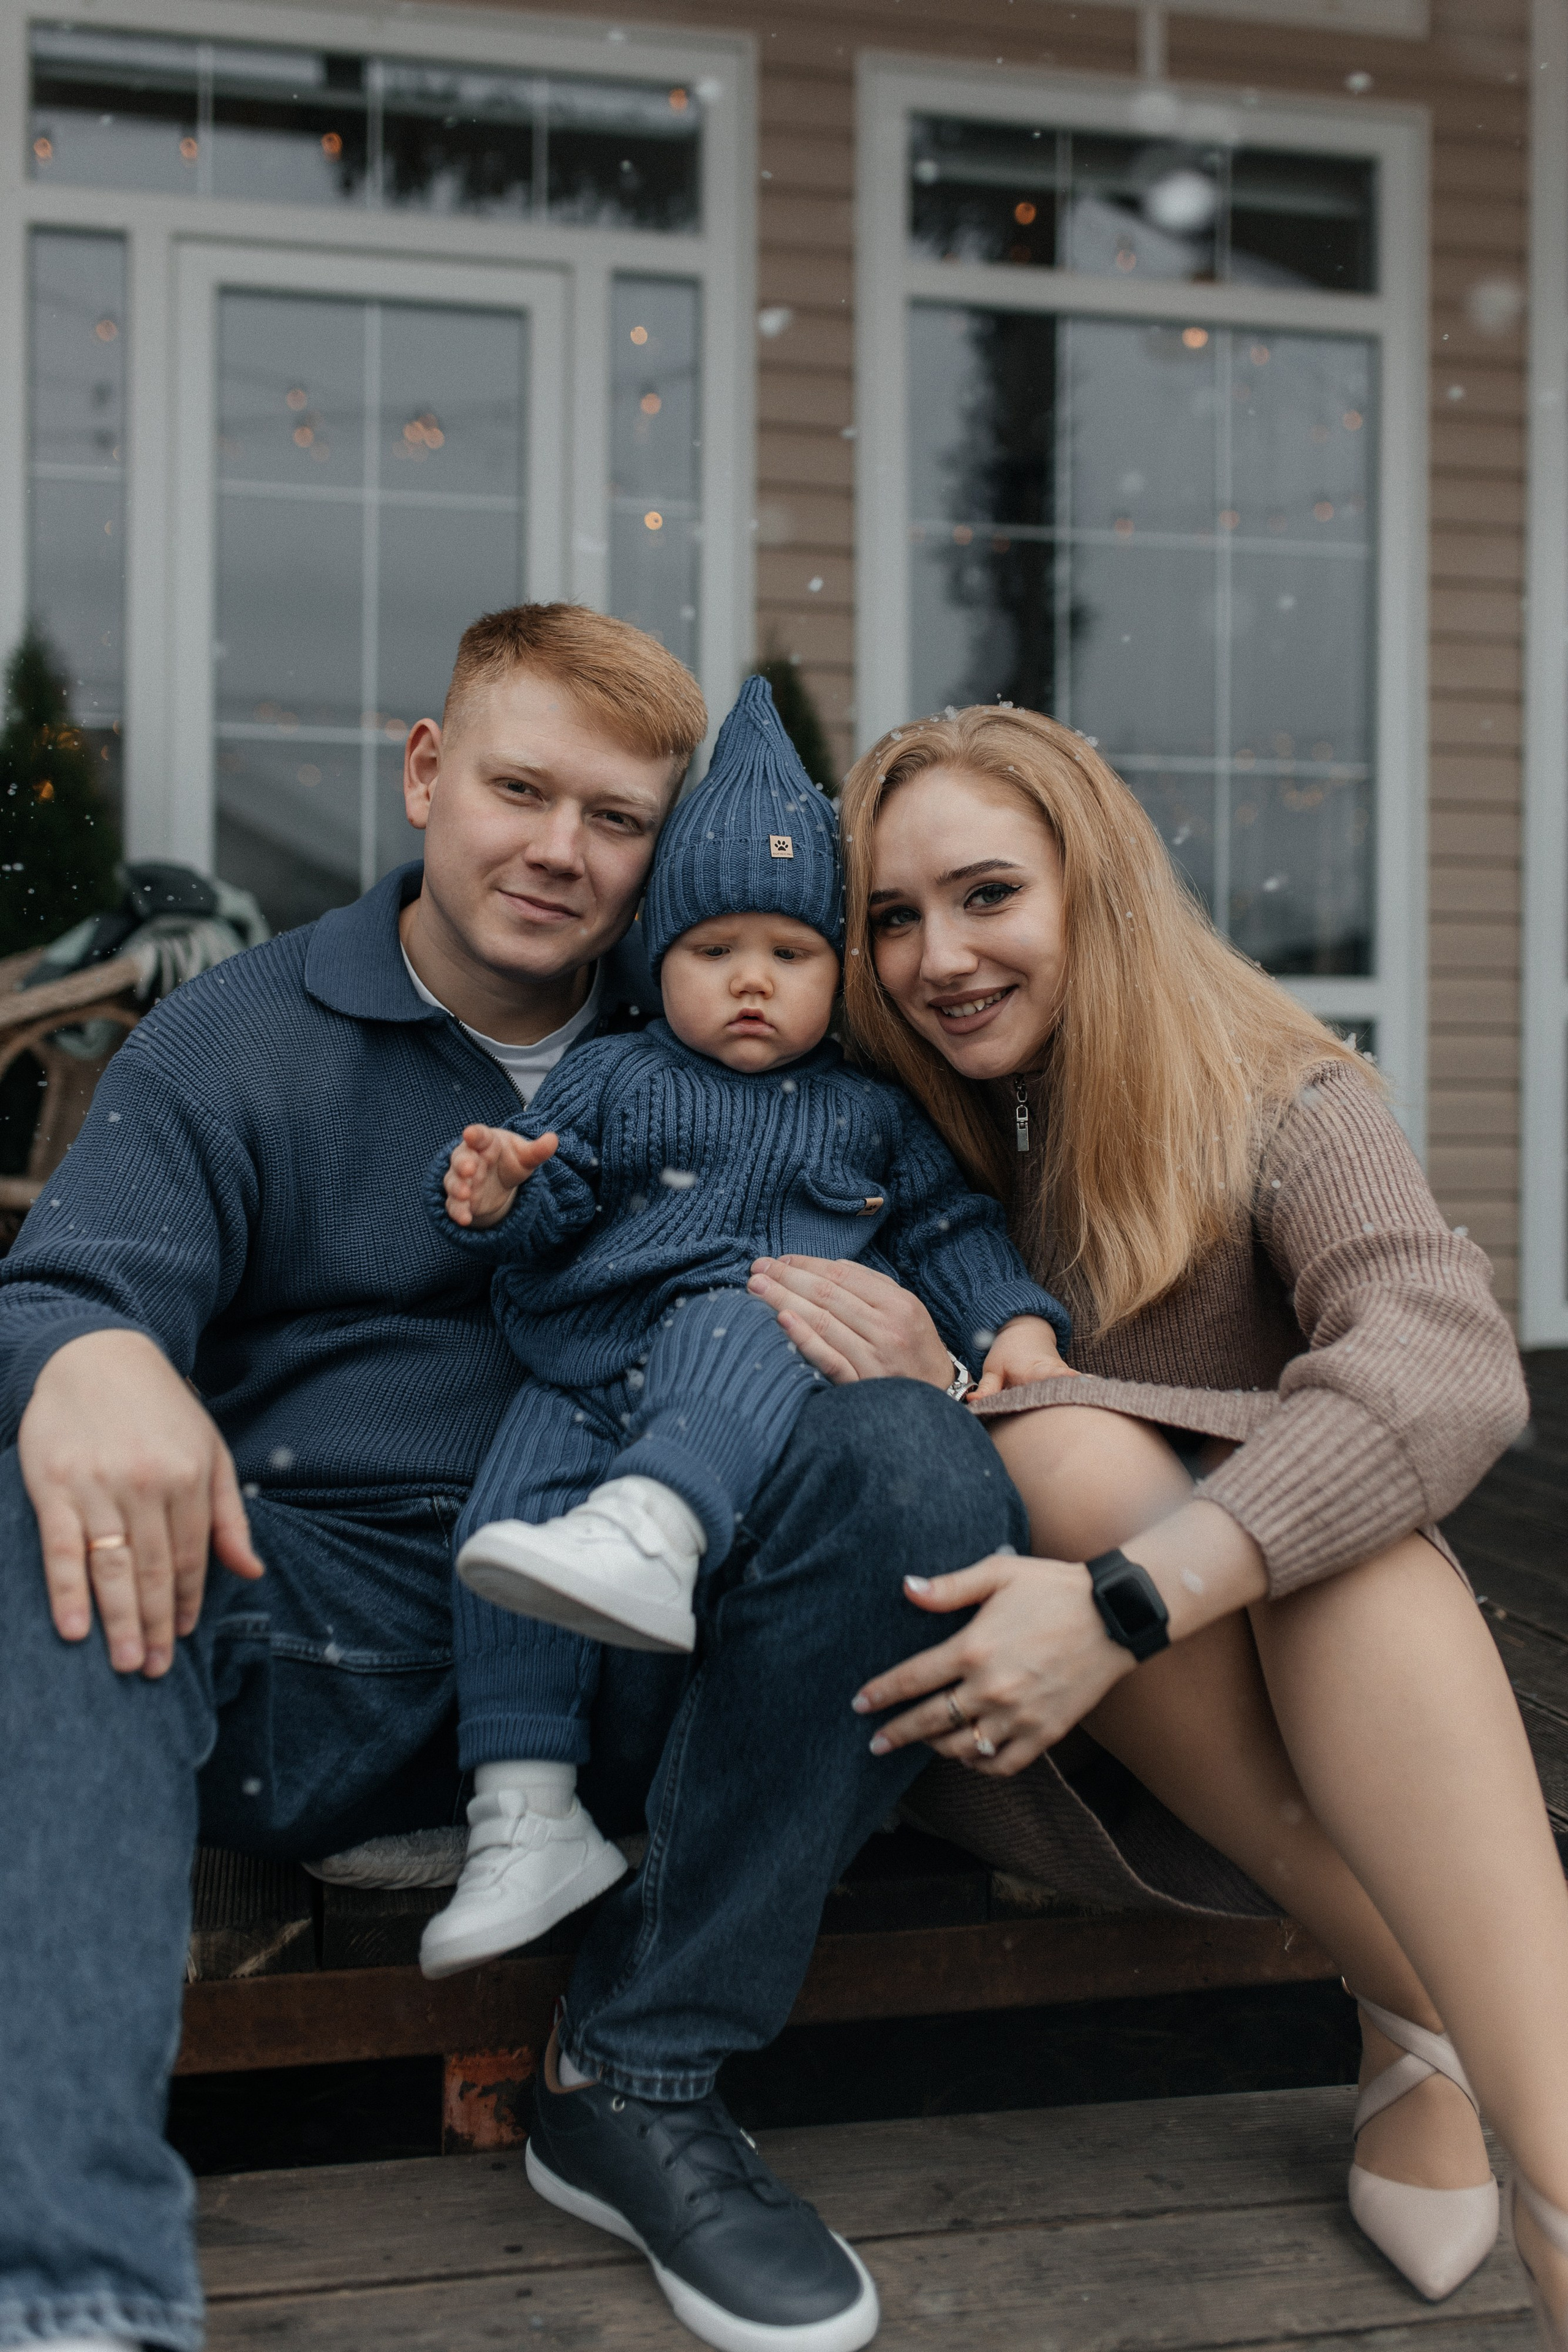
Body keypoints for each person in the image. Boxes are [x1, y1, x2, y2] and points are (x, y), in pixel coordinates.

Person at [0, 607, 1027, 2352]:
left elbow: (950, 1240)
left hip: (659, 1639)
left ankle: (638, 2072)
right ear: (427, 774)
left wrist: (958, 1350)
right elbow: (74, 1278)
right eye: (520, 788)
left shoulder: (749, 1032)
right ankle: (76, 2287)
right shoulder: (241, 1038)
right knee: (40, 1529)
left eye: (616, 818)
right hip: (322, 1633)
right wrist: (92, 1357)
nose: (560, 848)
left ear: (668, 853)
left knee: (918, 1464)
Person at [745, 703, 1568, 2337]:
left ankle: (1552, 2186)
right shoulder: (863, 1131)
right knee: (1067, 1462)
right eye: (891, 919)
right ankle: (1416, 1998)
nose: (937, 958)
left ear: (1096, 888)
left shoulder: (1277, 1096)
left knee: (1354, 1535)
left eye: (988, 895)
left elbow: (1446, 1360)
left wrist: (1136, 1590)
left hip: (1287, 1668)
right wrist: (945, 1392)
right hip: (1022, 1719)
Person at [414, 676, 1070, 1980]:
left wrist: (1017, 1329)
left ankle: (658, 1524)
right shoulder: (614, 1075)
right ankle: (524, 1811)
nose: (753, 986)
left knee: (738, 1312)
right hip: (583, 1362)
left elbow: (946, 1230)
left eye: (790, 955)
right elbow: (558, 1210)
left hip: (745, 1365)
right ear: (659, 966)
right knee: (504, 1535)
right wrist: (503, 1202)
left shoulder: (869, 1110)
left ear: (840, 970)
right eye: (715, 955)